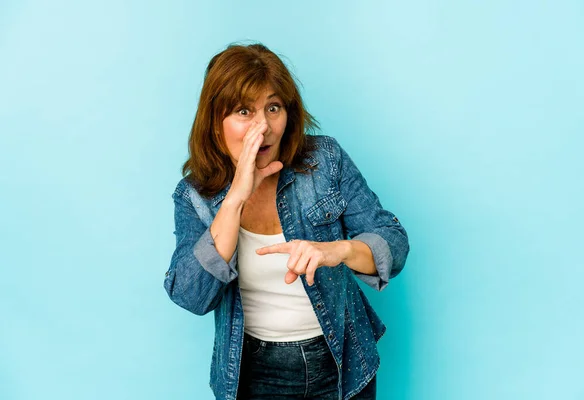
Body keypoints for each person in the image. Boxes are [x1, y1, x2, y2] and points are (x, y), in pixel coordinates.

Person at [163, 42, 410, 400]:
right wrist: (234, 200)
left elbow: (394, 242)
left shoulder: (325, 160)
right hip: (254, 375)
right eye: (244, 111)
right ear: (216, 123)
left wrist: (337, 250)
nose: (262, 127)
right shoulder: (195, 196)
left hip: (343, 361)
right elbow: (191, 296)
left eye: (273, 108)